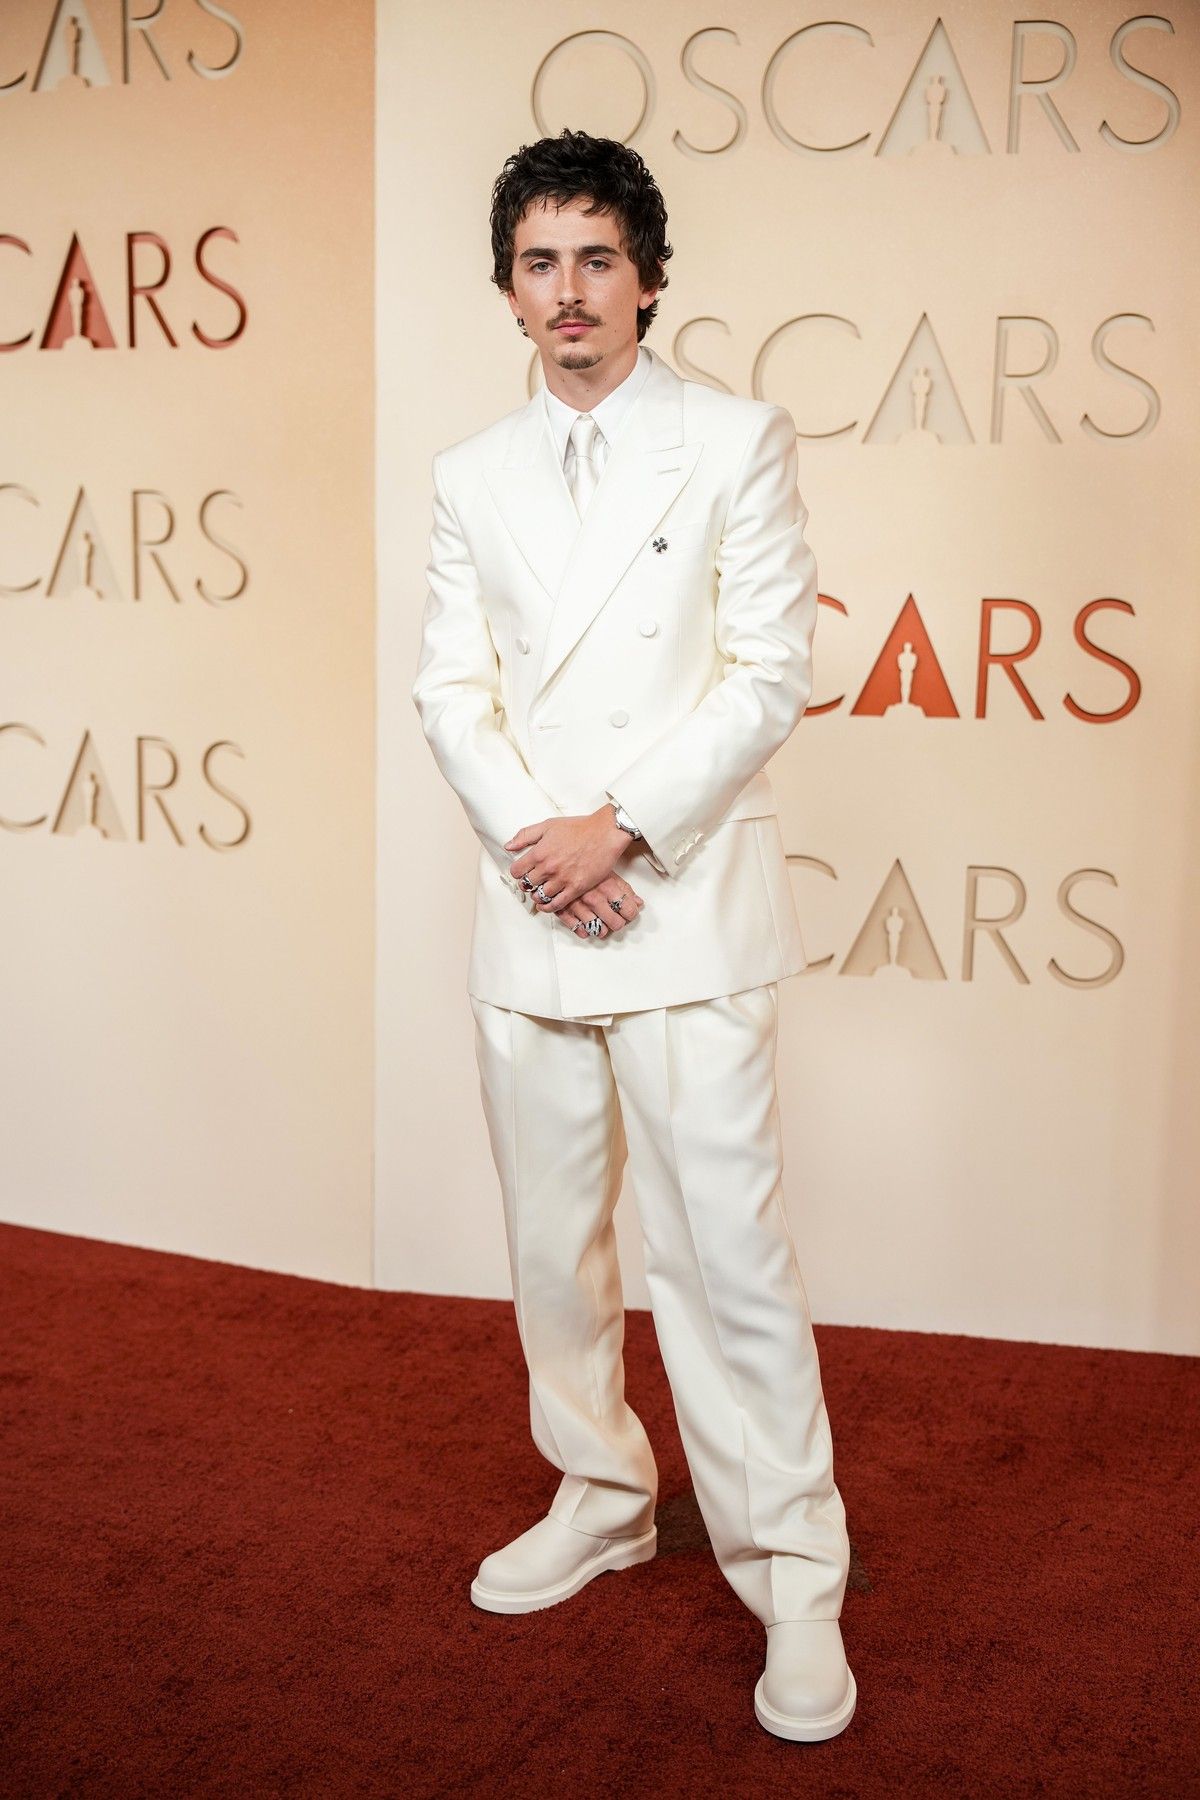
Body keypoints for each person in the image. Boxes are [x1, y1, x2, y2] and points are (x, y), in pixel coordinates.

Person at [410, 127, 855, 1743]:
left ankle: (794, 1575)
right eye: (540, 262)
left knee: (724, 1260)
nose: (570, 289)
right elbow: (449, 688)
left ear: (648, 278)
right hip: (534, 904)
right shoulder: (471, 473)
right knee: (553, 1248)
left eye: (597, 257)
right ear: (508, 290)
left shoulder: (734, 439)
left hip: (683, 902)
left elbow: (768, 671)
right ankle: (601, 1495)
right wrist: (547, 846)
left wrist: (623, 829)